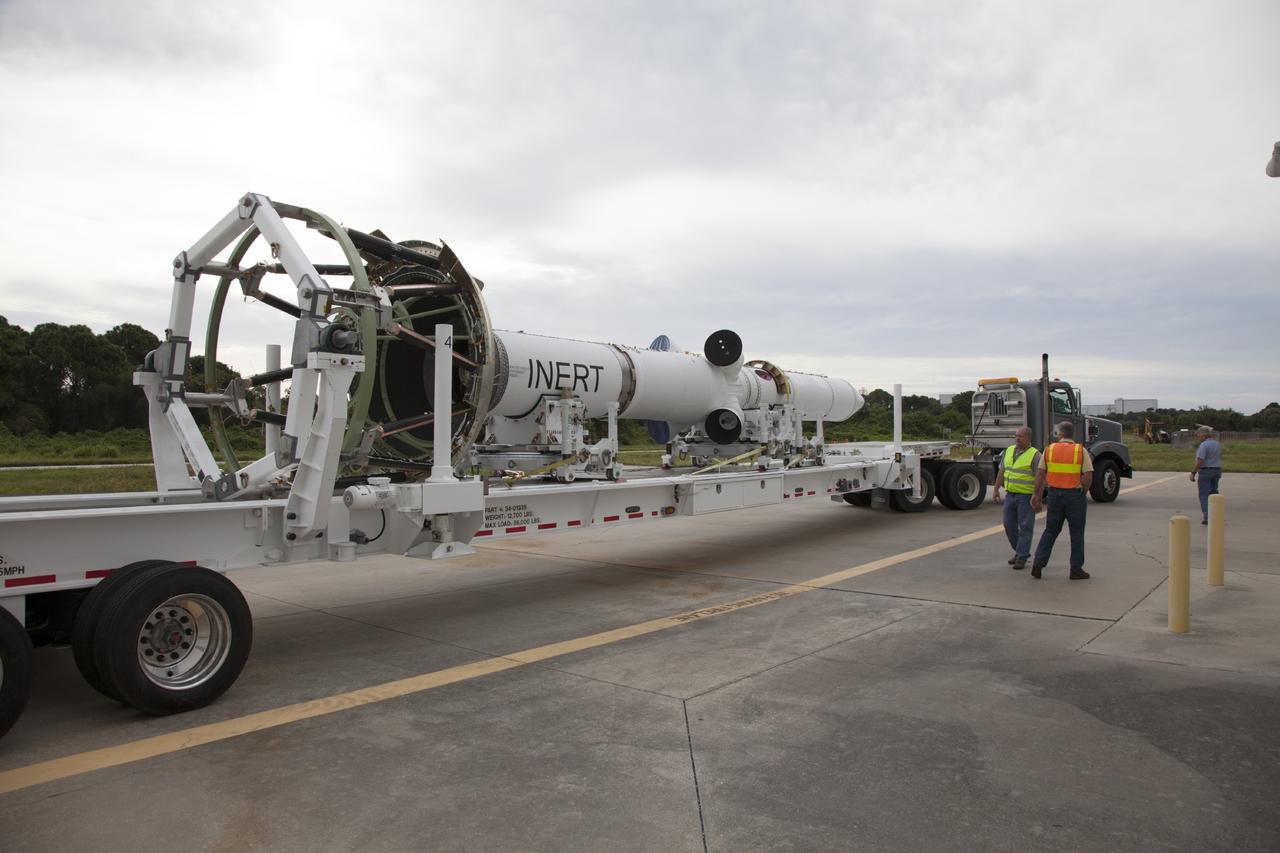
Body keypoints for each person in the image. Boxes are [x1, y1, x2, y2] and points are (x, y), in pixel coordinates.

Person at [1030, 421, 1093, 580]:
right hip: (1074, 495)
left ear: (1060, 434)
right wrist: (1083, 492)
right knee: (1077, 533)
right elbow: (1088, 476)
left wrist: (1036, 495)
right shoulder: (1081, 450)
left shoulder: (1049, 450)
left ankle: (1038, 562)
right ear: (1073, 434)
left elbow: (1040, 474)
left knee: (1051, 530)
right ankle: (1076, 569)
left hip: (1054, 495)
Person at [992, 427, 1041, 570]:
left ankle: (1021, 556)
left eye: (1020, 436)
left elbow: (1040, 477)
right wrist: (996, 488)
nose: (1017, 439)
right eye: (1016, 436)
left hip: (1025, 496)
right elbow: (1002, 470)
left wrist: (1036, 496)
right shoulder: (1009, 451)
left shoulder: (1035, 455)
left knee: (1025, 527)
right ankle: (1021, 551)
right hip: (1010, 495)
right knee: (1008, 525)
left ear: (1028, 439)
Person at [1190, 426, 1222, 525]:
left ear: (1203, 435)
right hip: (1217, 470)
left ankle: (1207, 516)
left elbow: (1200, 460)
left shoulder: (1204, 445)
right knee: (1214, 493)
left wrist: (1193, 472)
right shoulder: (1217, 444)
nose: (1198, 437)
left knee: (1204, 494)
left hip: (1206, 471)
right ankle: (1216, 513)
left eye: (1199, 435)